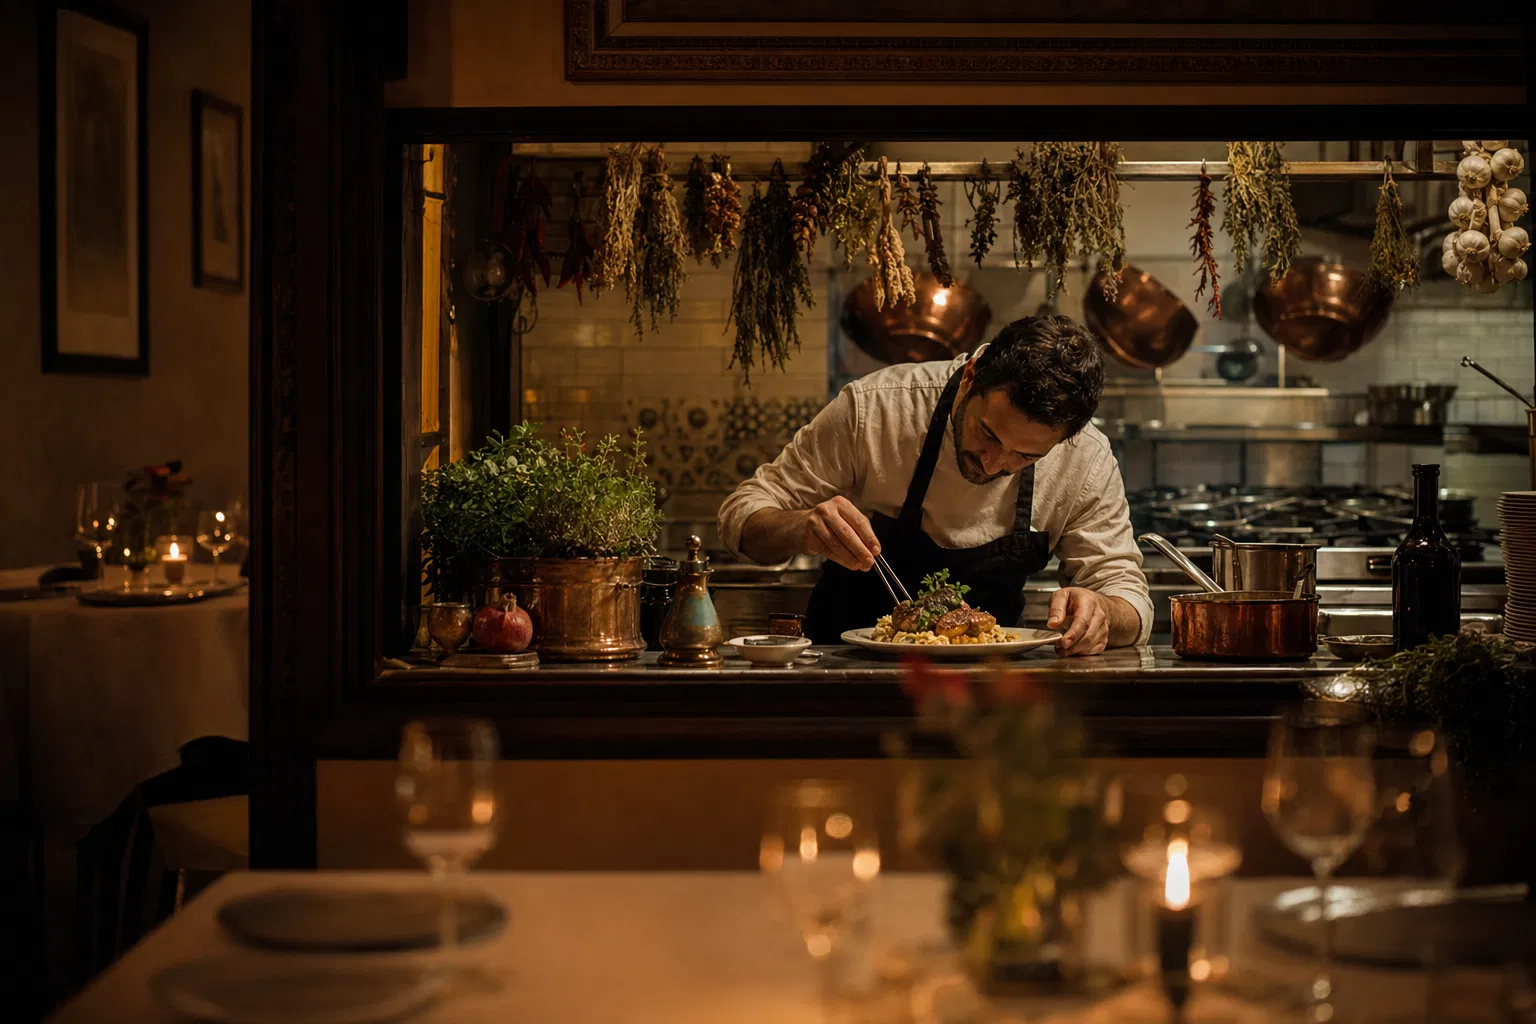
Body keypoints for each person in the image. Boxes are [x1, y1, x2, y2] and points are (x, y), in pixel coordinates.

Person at [717, 314, 1151, 655]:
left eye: (1025, 456)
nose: (994, 463)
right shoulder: (876, 410)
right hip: (847, 672)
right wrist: (801, 527)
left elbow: (1128, 598)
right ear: (971, 376)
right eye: (987, 434)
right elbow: (742, 515)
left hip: (993, 690)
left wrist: (1103, 612)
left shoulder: (1085, 457)